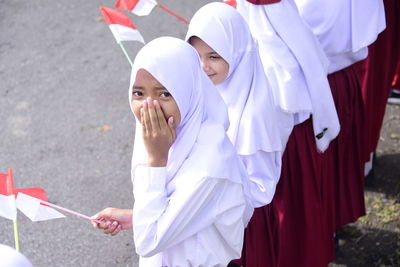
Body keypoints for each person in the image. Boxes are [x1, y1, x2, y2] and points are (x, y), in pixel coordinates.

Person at [91, 37, 253, 267]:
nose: (149, 106)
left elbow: (149, 242)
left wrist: (156, 160)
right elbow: (177, 212)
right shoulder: (169, 135)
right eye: (138, 93)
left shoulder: (209, 165)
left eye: (164, 94)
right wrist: (134, 217)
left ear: (188, 92)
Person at [235, 0, 340, 266]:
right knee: (298, 216)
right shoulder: (291, 33)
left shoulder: (257, 49)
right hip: (291, 145)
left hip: (289, 147)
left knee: (292, 216)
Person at [185, 3, 286, 266]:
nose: (204, 66)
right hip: (207, 216)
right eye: (196, 56)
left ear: (238, 51)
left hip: (240, 225)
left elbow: (260, 188)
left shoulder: (253, 114)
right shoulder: (205, 91)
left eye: (214, 56)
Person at [295, 0, 385, 233]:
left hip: (322, 79)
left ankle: (324, 228)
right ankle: (323, 228)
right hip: (324, 76)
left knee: (321, 167)